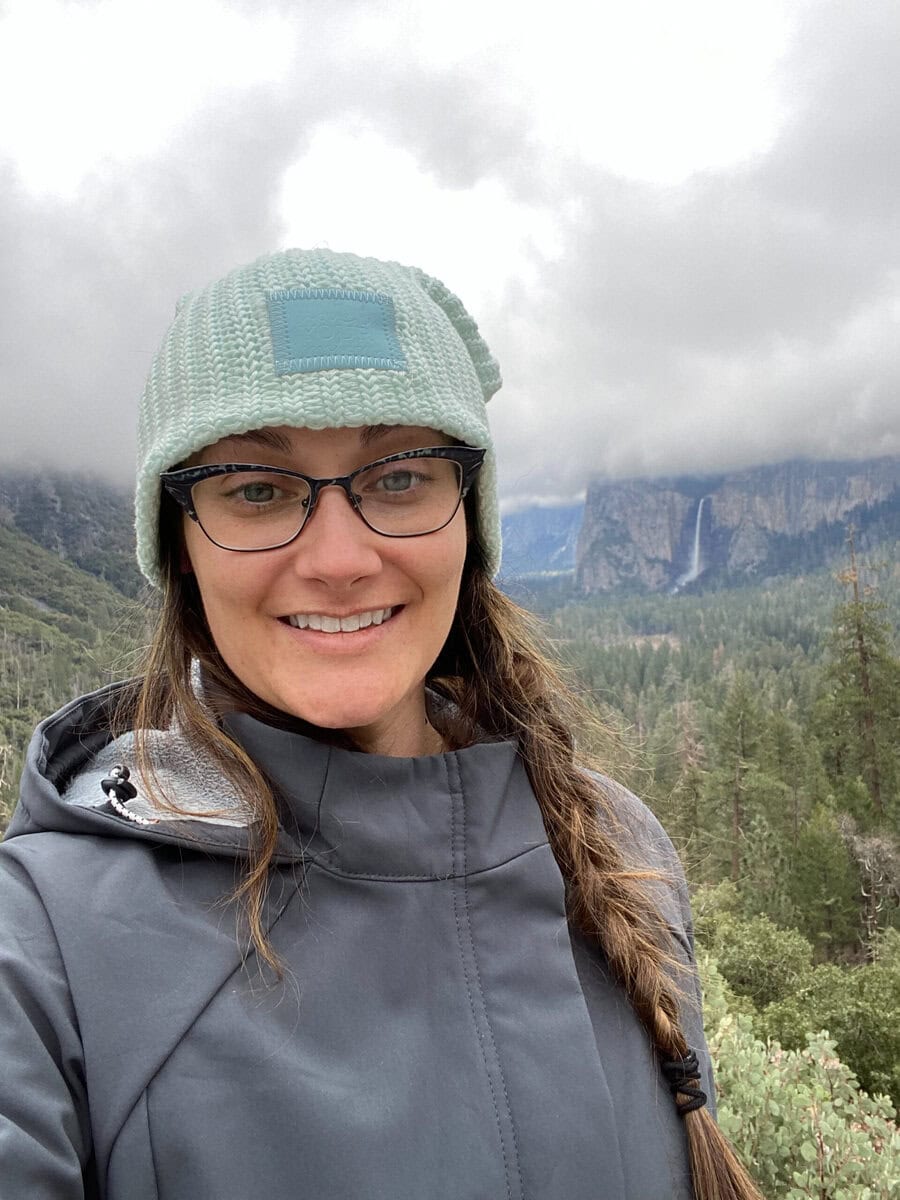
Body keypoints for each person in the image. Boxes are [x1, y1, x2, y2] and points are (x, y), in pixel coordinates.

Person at [0, 249, 762, 1199]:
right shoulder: (42, 938)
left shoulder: (618, 849)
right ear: (182, 542)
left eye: (400, 476)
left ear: (468, 522)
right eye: (257, 486)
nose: (339, 558)